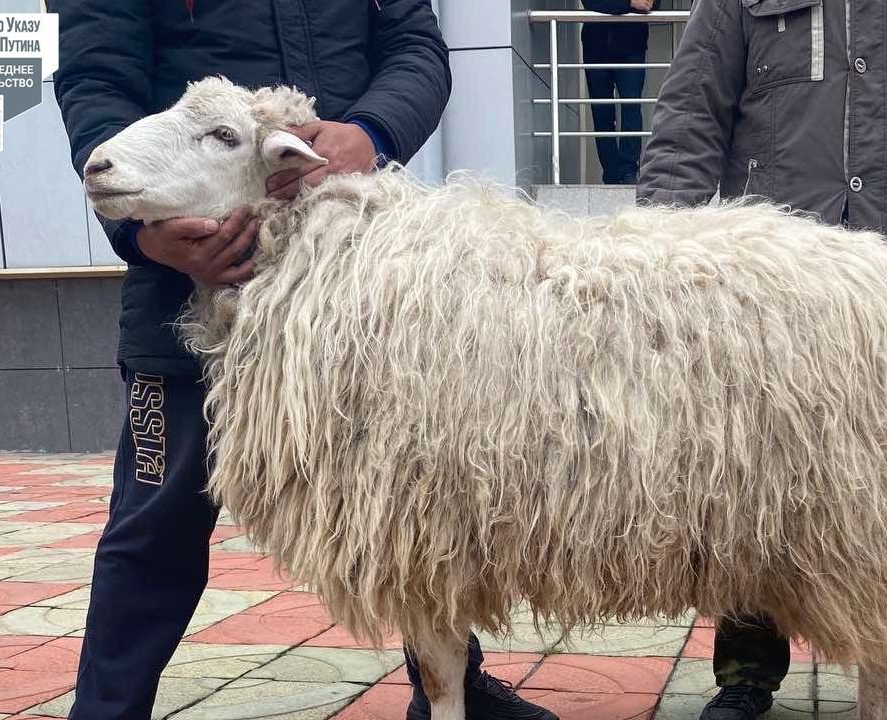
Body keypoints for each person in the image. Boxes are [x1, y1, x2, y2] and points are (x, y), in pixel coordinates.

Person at [49, 2, 556, 718]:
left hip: (352, 275)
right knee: (154, 517)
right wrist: (139, 234)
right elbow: (97, 73)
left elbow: (414, 42)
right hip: (187, 280)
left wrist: (370, 131)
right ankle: (108, 709)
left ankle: (452, 688)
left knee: (411, 492)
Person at [636, 0, 887, 718]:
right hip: (765, 306)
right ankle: (747, 673)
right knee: (755, 494)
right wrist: (662, 274)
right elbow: (688, 123)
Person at [581, 0, 660, 184]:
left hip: (632, 46)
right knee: (602, 113)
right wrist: (630, 3)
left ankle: (628, 170)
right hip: (596, 47)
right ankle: (611, 171)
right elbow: (592, 2)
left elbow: (650, 4)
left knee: (631, 106)